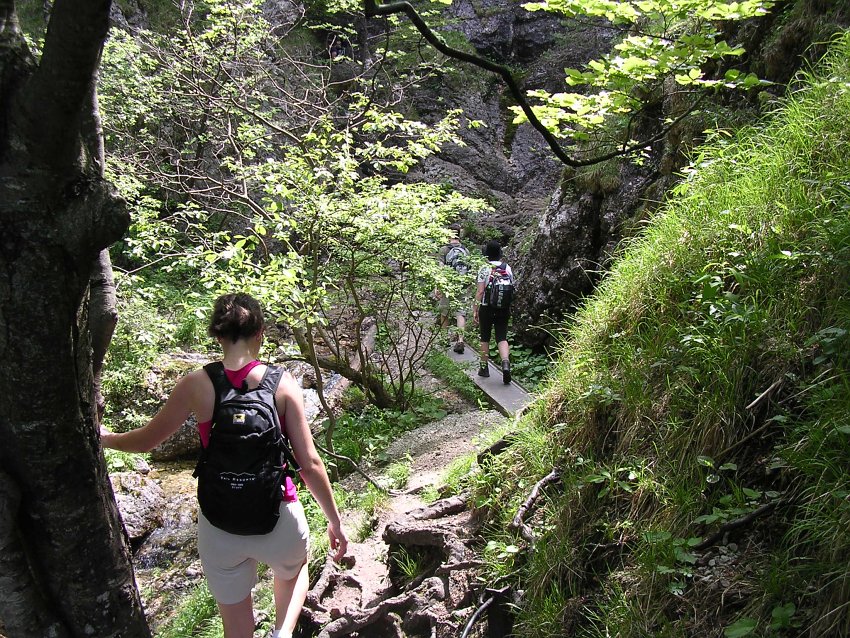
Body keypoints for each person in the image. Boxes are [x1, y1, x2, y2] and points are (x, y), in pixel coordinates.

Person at [100, 293, 348, 638]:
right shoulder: (283, 383)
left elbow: (145, 441)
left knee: (236, 629)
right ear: (260, 332)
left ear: (217, 335)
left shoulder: (195, 384)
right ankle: (281, 634)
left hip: (219, 525)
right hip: (277, 516)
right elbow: (309, 464)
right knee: (294, 571)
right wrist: (335, 522)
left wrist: (104, 437)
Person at [473, 239, 514, 384]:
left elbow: (480, 291)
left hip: (486, 307)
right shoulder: (507, 268)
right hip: (503, 307)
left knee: (485, 337)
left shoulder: (484, 268)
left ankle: (484, 368)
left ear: (487, 254)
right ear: (500, 253)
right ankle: (505, 363)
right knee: (502, 337)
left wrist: (475, 309)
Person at [437, 229, 472, 354]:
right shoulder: (465, 250)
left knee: (444, 311)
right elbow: (469, 269)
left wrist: (438, 286)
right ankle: (460, 340)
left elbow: (441, 269)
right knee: (460, 313)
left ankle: (444, 338)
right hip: (462, 285)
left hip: (448, 285)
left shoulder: (444, 250)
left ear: (449, 234)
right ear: (459, 234)